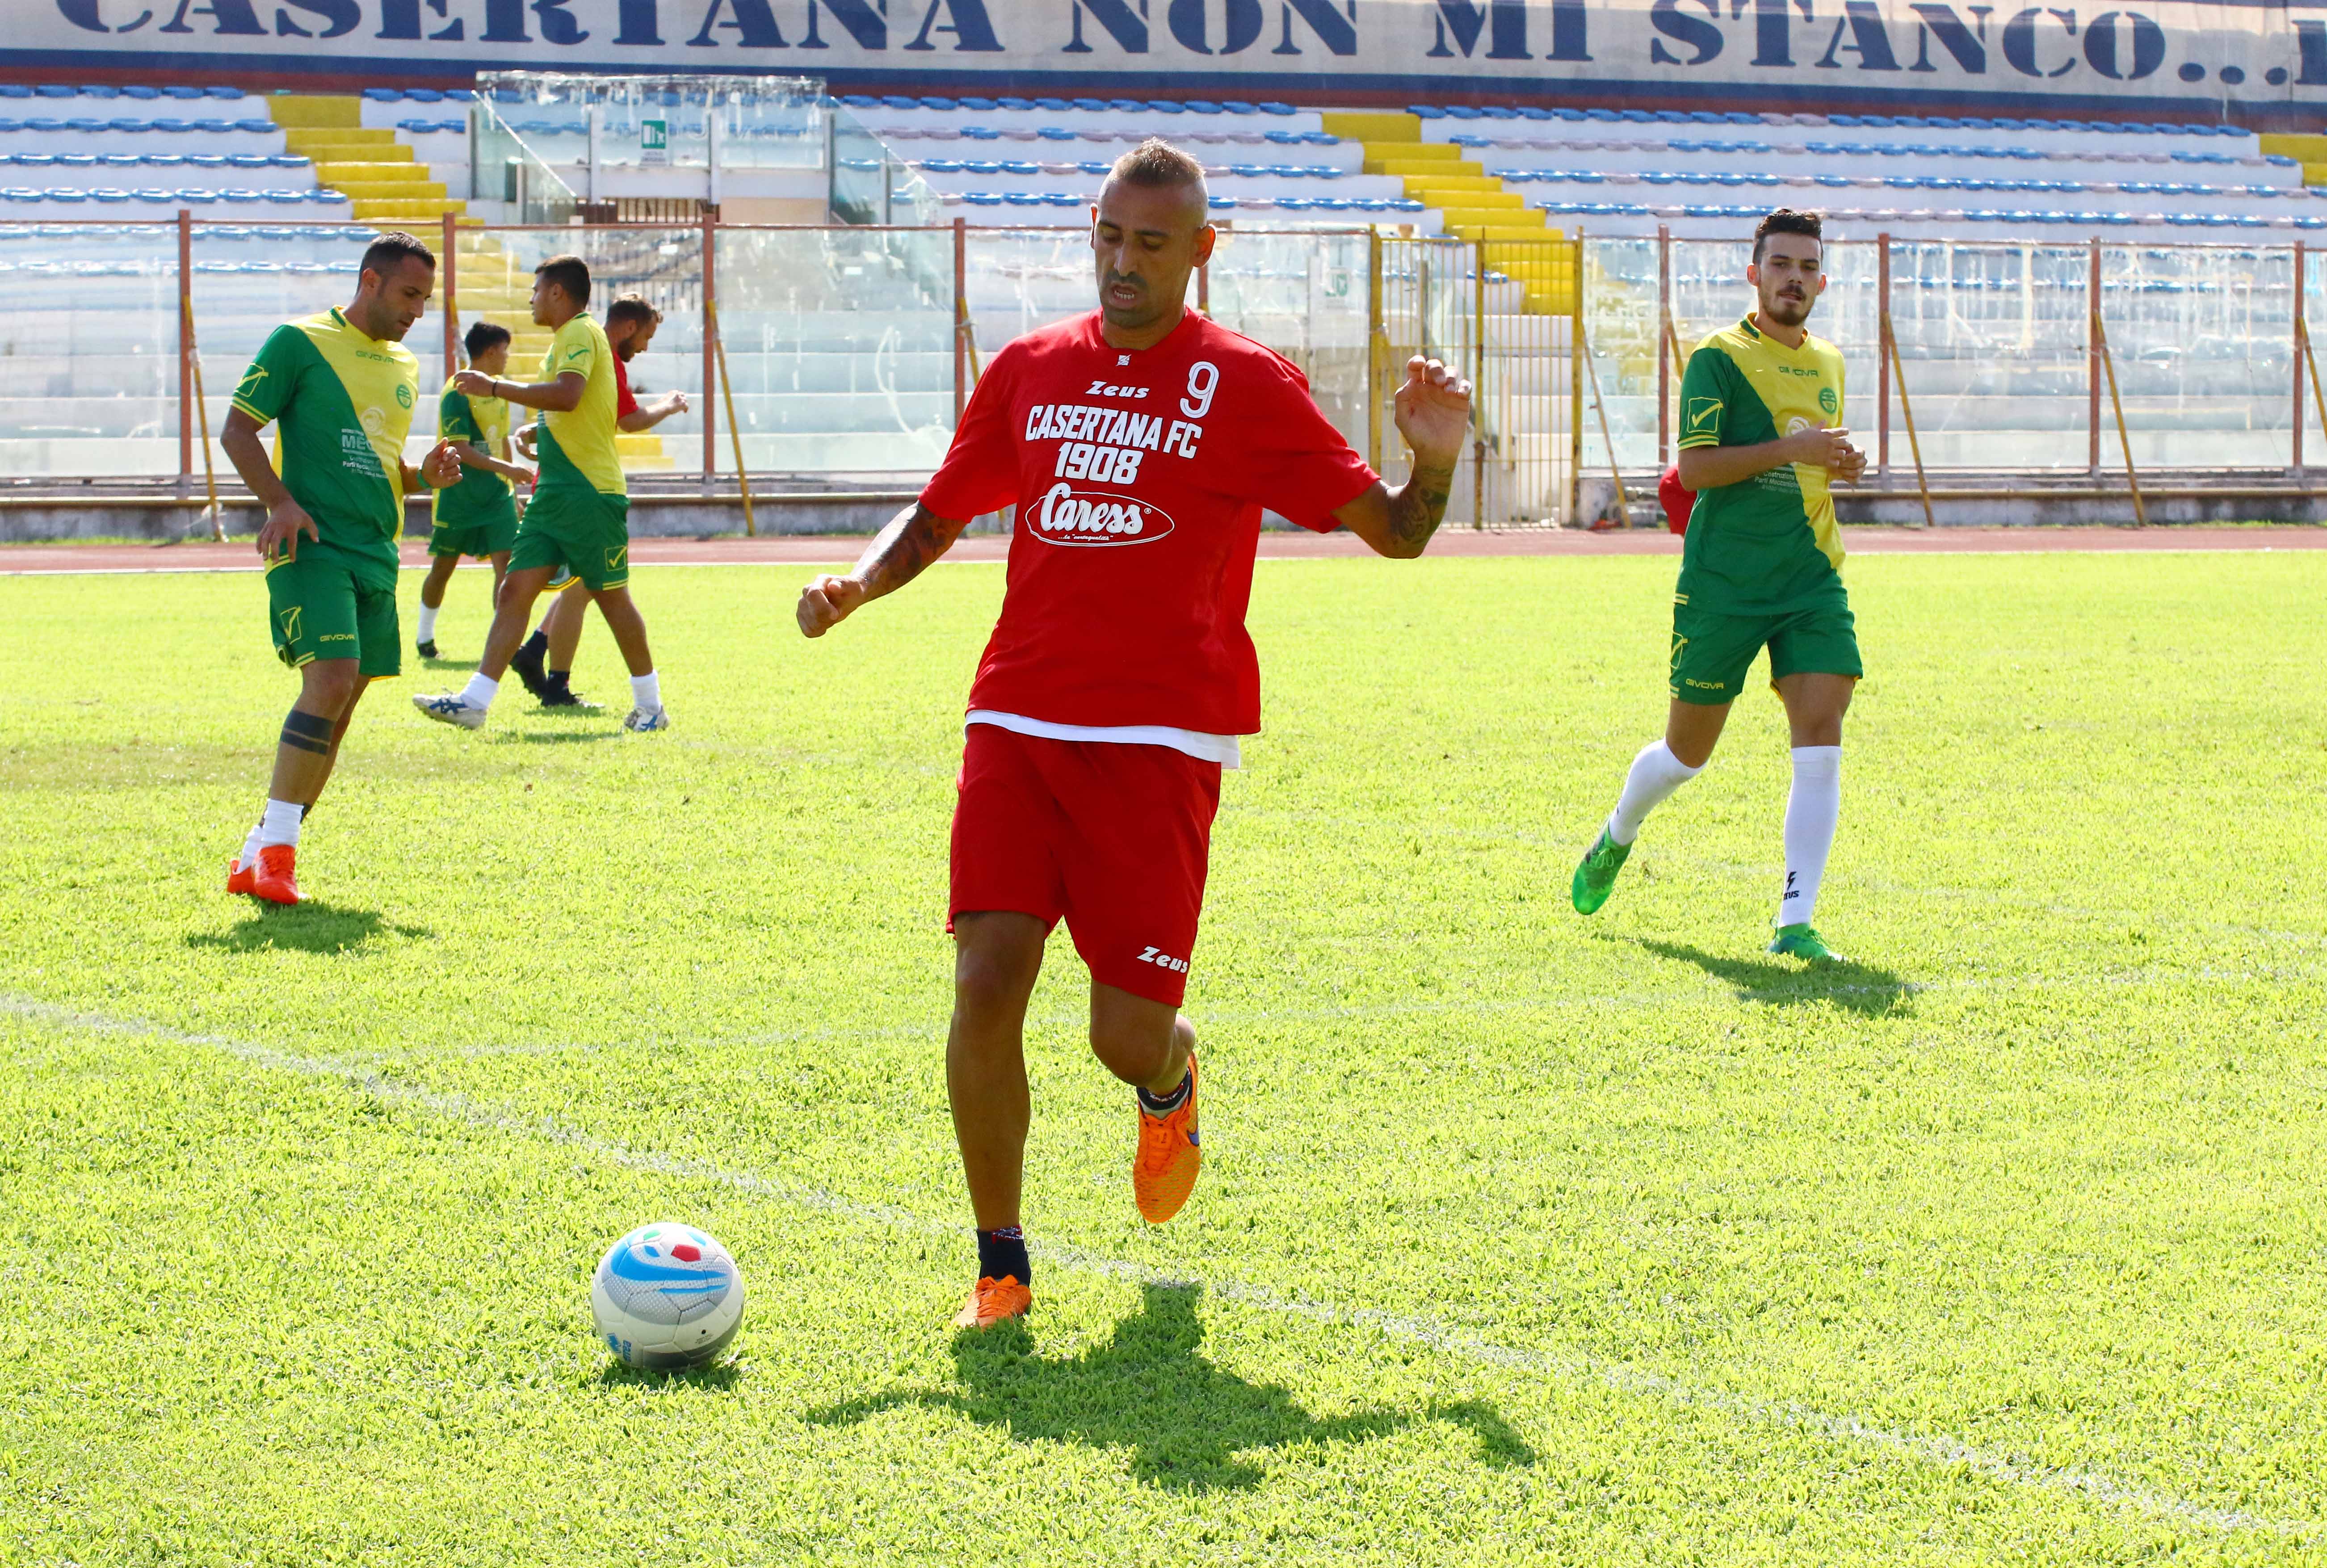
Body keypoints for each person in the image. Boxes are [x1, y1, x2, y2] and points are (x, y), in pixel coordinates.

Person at [794, 139, 1473, 1331]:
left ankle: (1169, 1076)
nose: (1122, 262)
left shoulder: (1248, 384)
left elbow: (1397, 533)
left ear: (1201, 252)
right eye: (1109, 236)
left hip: (1164, 739)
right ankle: (1000, 1261)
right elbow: (944, 507)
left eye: (1151, 244)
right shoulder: (1030, 368)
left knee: (1123, 1034)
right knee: (984, 979)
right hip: (1016, 715)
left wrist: (1433, 461)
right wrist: (856, 584)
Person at [1570, 209, 1866, 962]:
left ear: (1821, 281)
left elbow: (1804, 459)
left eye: (1806, 267)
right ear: (1754, 273)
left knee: (1821, 735)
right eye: (1780, 265)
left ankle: (1794, 922)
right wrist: (1792, 446)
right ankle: (1616, 833)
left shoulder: (1829, 361)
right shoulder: (1717, 357)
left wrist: (1836, 463)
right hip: (1724, 581)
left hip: (1811, 575)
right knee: (1685, 754)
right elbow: (1694, 470)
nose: (1792, 278)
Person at [218, 231, 463, 904]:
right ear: (371, 281)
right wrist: (280, 500)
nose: (419, 309)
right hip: (311, 544)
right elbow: (238, 429)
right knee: (330, 682)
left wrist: (425, 475)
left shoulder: (406, 367)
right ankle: (279, 859)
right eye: (410, 294)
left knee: (343, 705)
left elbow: (384, 468)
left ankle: (256, 854)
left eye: (427, 299)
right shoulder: (299, 341)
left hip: (377, 553)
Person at [411, 255, 671, 733]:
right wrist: (542, 431)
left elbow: (568, 394)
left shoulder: (578, 332)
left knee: (611, 597)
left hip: (588, 492)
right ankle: (475, 700)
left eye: (536, 290)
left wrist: (494, 386)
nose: (531, 298)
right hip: (555, 491)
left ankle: (651, 705)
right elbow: (573, 405)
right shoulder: (575, 336)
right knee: (514, 590)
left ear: (557, 293)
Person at [506, 293, 689, 710]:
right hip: (575, 488)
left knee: (578, 586)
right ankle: (554, 681)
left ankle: (533, 659)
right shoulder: (599, 351)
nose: (645, 346)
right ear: (628, 327)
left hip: (566, 483)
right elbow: (627, 420)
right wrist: (669, 404)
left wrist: (533, 432)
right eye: (646, 335)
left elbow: (578, 409)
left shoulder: (585, 345)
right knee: (583, 587)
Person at [415, 320, 533, 660]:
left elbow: (501, 442)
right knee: (443, 569)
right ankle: (425, 638)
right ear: (492, 352)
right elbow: (461, 450)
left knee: (507, 567)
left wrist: (513, 490)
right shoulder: (457, 392)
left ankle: (503, 645)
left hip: (497, 498)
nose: (508, 358)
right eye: (505, 351)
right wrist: (508, 469)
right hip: (459, 495)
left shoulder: (498, 390)